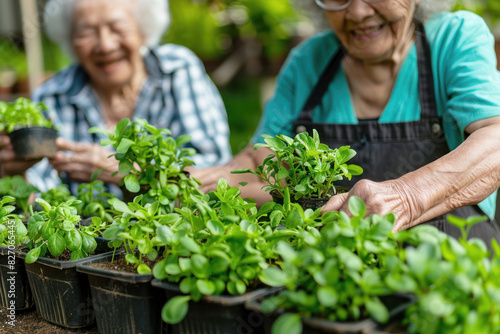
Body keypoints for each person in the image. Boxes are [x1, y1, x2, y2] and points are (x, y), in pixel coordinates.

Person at [191, 0, 500, 245]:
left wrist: (406, 197)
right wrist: (196, 182)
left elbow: (495, 138)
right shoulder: (308, 60)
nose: (356, 11)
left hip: (450, 269)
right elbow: (258, 160)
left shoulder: (454, 37)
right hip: (338, 272)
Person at [0, 0, 231, 196]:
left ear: (143, 30)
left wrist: (127, 171)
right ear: (70, 40)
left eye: (117, 27)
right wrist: (15, 173)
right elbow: (41, 197)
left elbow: (214, 167)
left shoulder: (177, 69)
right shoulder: (51, 96)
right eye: (86, 32)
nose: (105, 45)